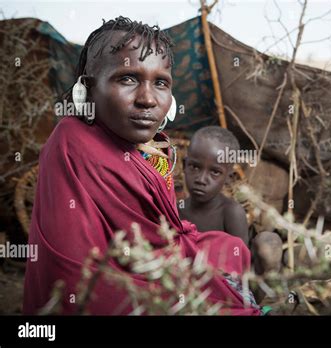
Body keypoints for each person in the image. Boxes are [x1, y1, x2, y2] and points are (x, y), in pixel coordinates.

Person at [23, 16, 261, 315]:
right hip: (113, 286)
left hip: (158, 261)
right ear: (88, 87)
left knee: (232, 249)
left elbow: (163, 235)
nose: (148, 99)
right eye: (128, 78)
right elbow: (79, 274)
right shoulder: (72, 143)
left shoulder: (152, 148)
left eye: (160, 82)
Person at [179, 126, 283, 277]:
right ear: (184, 165)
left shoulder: (230, 212)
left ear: (229, 176)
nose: (201, 179)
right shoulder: (175, 210)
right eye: (194, 167)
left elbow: (240, 263)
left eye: (215, 172)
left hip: (226, 286)